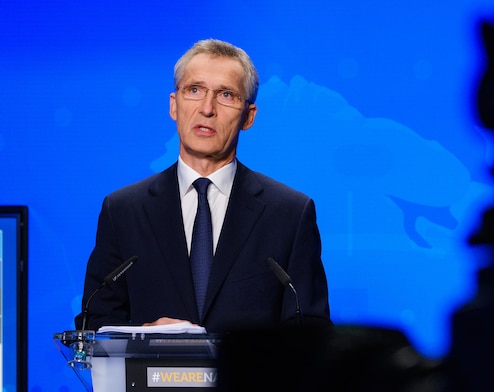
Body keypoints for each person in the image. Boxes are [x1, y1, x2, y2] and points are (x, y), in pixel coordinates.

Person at [76, 39, 331, 332]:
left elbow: (310, 330)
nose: (207, 108)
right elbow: (94, 323)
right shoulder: (122, 211)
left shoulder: (289, 214)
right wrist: (147, 336)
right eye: (194, 90)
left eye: (226, 95)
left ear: (248, 116)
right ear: (174, 105)